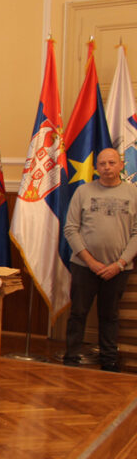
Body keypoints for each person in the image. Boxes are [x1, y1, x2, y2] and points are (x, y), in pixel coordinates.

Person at [63, 147, 137, 372]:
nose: (107, 167)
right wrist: (91, 262)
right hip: (84, 266)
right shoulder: (83, 192)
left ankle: (109, 360)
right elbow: (71, 229)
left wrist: (120, 264)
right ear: (96, 168)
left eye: (112, 163)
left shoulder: (133, 193)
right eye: (102, 164)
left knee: (110, 315)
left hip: (119, 268)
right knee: (78, 313)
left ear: (121, 165)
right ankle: (71, 357)